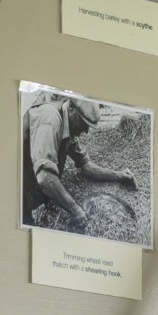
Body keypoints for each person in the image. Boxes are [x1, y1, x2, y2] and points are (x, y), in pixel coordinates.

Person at [24, 92, 137, 232]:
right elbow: (45, 177)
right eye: (84, 122)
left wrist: (119, 175)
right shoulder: (50, 118)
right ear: (71, 107)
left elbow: (86, 166)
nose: (86, 130)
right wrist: (75, 209)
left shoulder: (69, 126)